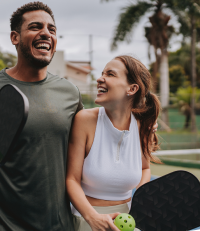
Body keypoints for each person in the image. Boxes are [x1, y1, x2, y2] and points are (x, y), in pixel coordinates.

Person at [0, 2, 83, 230]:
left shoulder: (70, 93)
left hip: (58, 225)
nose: (46, 34)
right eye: (35, 27)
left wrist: (139, 125)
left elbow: (88, 141)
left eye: (52, 29)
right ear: (15, 37)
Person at [66, 55, 161, 231]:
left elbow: (144, 168)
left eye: (110, 74)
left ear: (132, 88)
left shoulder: (143, 127)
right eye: (102, 73)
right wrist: (92, 218)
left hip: (129, 220)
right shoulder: (84, 120)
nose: (100, 78)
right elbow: (71, 179)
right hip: (85, 219)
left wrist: (142, 199)